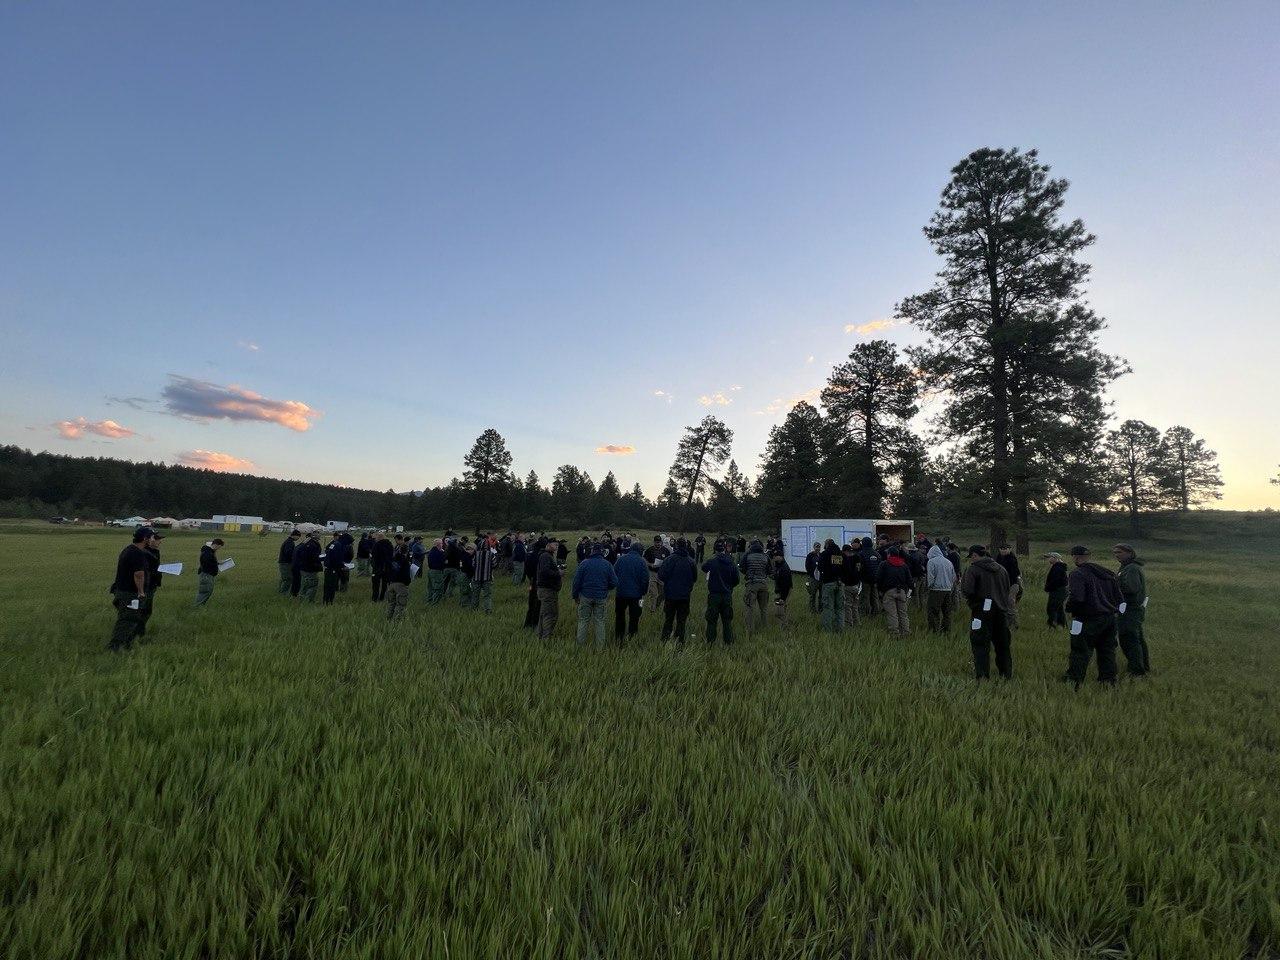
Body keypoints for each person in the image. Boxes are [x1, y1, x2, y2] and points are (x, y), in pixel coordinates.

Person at [1063, 545, 1121, 688]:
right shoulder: (1108, 573)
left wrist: (1068, 608)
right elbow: (1119, 597)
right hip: (1109, 619)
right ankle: (1108, 681)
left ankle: (1074, 681)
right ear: (1088, 557)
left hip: (1086, 619)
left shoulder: (1077, 574)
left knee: (1080, 650)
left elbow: (1077, 598)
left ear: (1075, 557)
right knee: (1107, 651)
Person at [961, 545, 1013, 679]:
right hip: (1001, 612)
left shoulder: (973, 569)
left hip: (980, 613)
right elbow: (1007, 589)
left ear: (974, 555)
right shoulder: (1002, 569)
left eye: (971, 558)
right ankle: (1006, 674)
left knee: (980, 645)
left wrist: (973, 603)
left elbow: (968, 590)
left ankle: (983, 676)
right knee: (1003, 645)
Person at [108, 527, 155, 651]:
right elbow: (138, 574)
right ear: (145, 539)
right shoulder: (137, 553)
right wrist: (141, 592)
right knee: (127, 620)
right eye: (151, 537)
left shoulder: (129, 549)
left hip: (123, 591)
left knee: (131, 619)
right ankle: (115, 647)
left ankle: (127, 645)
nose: (152, 540)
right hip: (130, 594)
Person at [1113, 543, 1150, 677]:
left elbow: (1132, 589)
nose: (1117, 555)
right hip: (1132, 609)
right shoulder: (1127, 567)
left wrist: (1115, 584)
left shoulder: (1132, 569)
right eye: (1115, 553)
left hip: (1130, 609)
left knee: (1128, 639)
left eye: (1120, 552)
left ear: (1129, 553)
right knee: (1137, 638)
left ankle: (1136, 670)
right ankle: (1143, 666)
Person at [572, 544, 618, 647]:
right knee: (600, 622)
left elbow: (576, 582)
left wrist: (575, 596)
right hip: (601, 597)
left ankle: (580, 646)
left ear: (592, 551)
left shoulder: (584, 563)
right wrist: (607, 588)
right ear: (602, 552)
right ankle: (600, 648)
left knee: (583, 621)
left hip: (585, 596)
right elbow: (615, 582)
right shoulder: (607, 564)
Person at [658, 540, 697, 643]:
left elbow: (661, 575)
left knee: (668, 620)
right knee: (681, 621)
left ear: (676, 546)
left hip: (670, 595)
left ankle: (665, 641)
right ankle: (680, 643)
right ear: (686, 546)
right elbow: (695, 578)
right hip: (684, 596)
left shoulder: (669, 560)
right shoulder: (691, 561)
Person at [702, 541, 740, 644]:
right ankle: (729, 643)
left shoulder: (712, 561)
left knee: (711, 621)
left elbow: (703, 568)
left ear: (715, 550)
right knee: (727, 621)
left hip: (714, 595)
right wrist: (729, 586)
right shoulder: (731, 562)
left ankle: (710, 643)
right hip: (727, 595)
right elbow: (737, 579)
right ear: (724, 549)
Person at [613, 540, 649, 643]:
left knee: (620, 616)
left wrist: (618, 586)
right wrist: (643, 592)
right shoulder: (642, 561)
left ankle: (619, 638)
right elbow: (645, 579)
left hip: (621, 594)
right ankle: (632, 637)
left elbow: (614, 573)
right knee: (635, 616)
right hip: (637, 596)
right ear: (640, 550)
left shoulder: (621, 559)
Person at [876, 546, 914, 637]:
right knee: (903, 613)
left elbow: (878, 578)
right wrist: (909, 591)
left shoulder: (884, 564)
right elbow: (909, 580)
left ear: (889, 554)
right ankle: (906, 632)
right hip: (901, 592)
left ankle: (894, 633)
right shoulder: (904, 565)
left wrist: (880, 590)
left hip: (888, 592)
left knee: (892, 614)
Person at [739, 540, 772, 636]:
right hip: (763, 584)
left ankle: (750, 630)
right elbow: (770, 570)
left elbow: (741, 567)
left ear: (751, 547)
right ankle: (765, 628)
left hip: (752, 584)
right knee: (764, 609)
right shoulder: (765, 556)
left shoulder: (748, 555)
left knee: (749, 608)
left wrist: (748, 574)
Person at [136, 531, 164, 640]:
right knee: (143, 610)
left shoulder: (154, 551)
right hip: (146, 585)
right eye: (157, 539)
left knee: (147, 610)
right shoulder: (144, 552)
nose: (160, 542)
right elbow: (144, 570)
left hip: (152, 584)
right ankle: (138, 634)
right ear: (149, 540)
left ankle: (140, 632)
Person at [926, 543, 956, 633]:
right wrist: (949, 586)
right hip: (948, 589)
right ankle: (946, 631)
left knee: (933, 611)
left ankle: (934, 631)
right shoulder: (948, 562)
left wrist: (929, 587)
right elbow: (953, 576)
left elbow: (931, 577)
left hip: (936, 590)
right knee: (946, 612)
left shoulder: (931, 562)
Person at [536, 539, 563, 639]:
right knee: (550, 614)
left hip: (547, 589)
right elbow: (545, 571)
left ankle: (540, 635)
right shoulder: (545, 556)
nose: (556, 546)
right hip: (547, 590)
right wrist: (558, 573)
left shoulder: (547, 556)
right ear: (548, 545)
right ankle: (546, 638)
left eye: (557, 545)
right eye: (555, 544)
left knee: (544, 614)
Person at [816, 539, 845, 632]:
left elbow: (820, 567)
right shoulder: (839, 553)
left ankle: (827, 630)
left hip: (828, 583)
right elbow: (841, 567)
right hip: (840, 583)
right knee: (840, 608)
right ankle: (840, 629)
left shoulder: (825, 554)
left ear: (827, 545)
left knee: (828, 607)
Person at [995, 545, 1023, 629]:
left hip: (1012, 584)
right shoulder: (999, 558)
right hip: (1002, 584)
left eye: (1006, 549)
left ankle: (1014, 624)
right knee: (1003, 604)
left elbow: (1016, 573)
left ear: (1010, 549)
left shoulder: (1012, 559)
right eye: (1002, 548)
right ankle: (1005, 623)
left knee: (1010, 603)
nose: (1003, 550)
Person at [385, 537, 412, 620]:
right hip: (401, 583)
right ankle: (396, 622)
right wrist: (407, 582)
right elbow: (406, 574)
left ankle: (388, 619)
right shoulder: (405, 561)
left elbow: (388, 570)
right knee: (400, 604)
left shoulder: (392, 559)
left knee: (391, 603)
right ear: (406, 551)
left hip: (391, 583)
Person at [643, 535, 669, 616]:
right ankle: (652, 610)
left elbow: (668, 561)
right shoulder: (649, 550)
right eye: (656, 542)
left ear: (661, 542)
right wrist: (650, 564)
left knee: (663, 593)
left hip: (662, 573)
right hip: (652, 573)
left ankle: (657, 605)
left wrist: (663, 565)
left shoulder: (666, 550)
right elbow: (644, 559)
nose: (658, 544)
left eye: (659, 542)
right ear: (654, 542)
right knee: (653, 593)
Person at [469, 537, 496, 613]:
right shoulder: (491, 554)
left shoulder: (476, 554)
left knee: (475, 594)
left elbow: (473, 564)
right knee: (487, 595)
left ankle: (473, 609)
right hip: (487, 578)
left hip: (476, 578)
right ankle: (488, 609)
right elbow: (494, 565)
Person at [1043, 552, 1069, 628]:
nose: (1048, 559)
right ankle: (1061, 624)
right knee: (1059, 608)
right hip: (1059, 591)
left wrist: (1048, 588)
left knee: (1051, 608)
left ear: (1055, 558)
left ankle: (1052, 625)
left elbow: (1055, 581)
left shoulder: (1058, 568)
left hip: (1057, 591)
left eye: (1049, 557)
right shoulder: (1058, 567)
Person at [195, 538, 223, 607]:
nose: (218, 549)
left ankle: (200, 606)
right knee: (205, 591)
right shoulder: (207, 552)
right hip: (206, 574)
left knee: (208, 591)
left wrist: (216, 563)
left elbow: (209, 561)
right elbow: (206, 562)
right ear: (216, 545)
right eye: (219, 547)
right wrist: (215, 563)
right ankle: (197, 606)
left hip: (208, 574)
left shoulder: (209, 552)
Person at [840, 542, 862, 629]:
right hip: (856, 585)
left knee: (847, 606)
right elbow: (859, 569)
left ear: (844, 551)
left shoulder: (844, 558)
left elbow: (842, 571)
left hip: (847, 585)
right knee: (855, 606)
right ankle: (857, 622)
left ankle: (849, 624)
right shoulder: (857, 557)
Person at [296, 532, 323, 602]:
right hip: (310, 568)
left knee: (304, 584)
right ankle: (308, 600)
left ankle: (301, 598)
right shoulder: (314, 545)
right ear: (317, 538)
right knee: (312, 585)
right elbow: (314, 557)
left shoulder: (305, 543)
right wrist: (322, 558)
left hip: (303, 567)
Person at [322, 534, 346, 604]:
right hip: (333, 569)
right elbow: (337, 558)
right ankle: (330, 601)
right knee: (331, 586)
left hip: (327, 568)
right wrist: (342, 566)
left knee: (326, 586)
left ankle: (325, 600)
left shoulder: (333, 544)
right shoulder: (338, 545)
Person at [859, 538, 881, 616]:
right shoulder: (877, 554)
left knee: (866, 597)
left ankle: (865, 613)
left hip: (865, 579)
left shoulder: (861, 554)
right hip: (875, 579)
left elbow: (860, 567)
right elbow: (879, 566)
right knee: (875, 597)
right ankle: (876, 613)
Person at [370, 532, 393, 602]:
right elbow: (391, 555)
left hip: (377, 567)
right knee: (384, 584)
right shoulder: (389, 544)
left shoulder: (376, 545)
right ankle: (382, 597)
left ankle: (375, 598)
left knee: (375, 584)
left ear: (378, 538)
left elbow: (373, 556)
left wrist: (373, 564)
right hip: (387, 567)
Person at [773, 555, 793, 628]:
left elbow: (786, 584)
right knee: (781, 609)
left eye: (776, 556)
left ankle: (784, 626)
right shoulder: (779, 565)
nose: (774, 557)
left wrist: (783, 598)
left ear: (781, 557)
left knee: (780, 610)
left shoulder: (784, 568)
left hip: (783, 591)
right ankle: (784, 624)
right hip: (780, 591)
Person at [441, 536, 464, 600]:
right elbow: (460, 558)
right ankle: (450, 593)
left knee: (445, 581)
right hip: (454, 568)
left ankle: (443, 594)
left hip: (446, 568)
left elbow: (444, 559)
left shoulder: (447, 550)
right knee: (454, 582)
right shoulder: (458, 550)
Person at [278, 530, 300, 594]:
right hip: (286, 563)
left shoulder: (289, 541)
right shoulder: (290, 542)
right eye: (298, 536)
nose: (298, 538)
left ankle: (280, 591)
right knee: (288, 579)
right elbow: (288, 552)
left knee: (284, 578)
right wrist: (295, 557)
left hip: (284, 562)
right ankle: (283, 593)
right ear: (295, 535)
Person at [425, 538, 447, 604]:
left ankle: (429, 600)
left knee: (430, 587)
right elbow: (444, 561)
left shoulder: (431, 551)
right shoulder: (438, 553)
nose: (442, 545)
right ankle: (434, 603)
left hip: (430, 571)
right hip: (437, 572)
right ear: (438, 545)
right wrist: (443, 553)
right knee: (438, 588)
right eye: (441, 543)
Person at [804, 542, 822, 613]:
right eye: (816, 547)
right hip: (813, 578)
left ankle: (820, 609)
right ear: (814, 547)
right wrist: (811, 574)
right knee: (813, 594)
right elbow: (807, 566)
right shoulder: (810, 555)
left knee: (821, 595)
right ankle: (812, 610)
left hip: (821, 578)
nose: (817, 548)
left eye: (819, 547)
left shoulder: (821, 555)